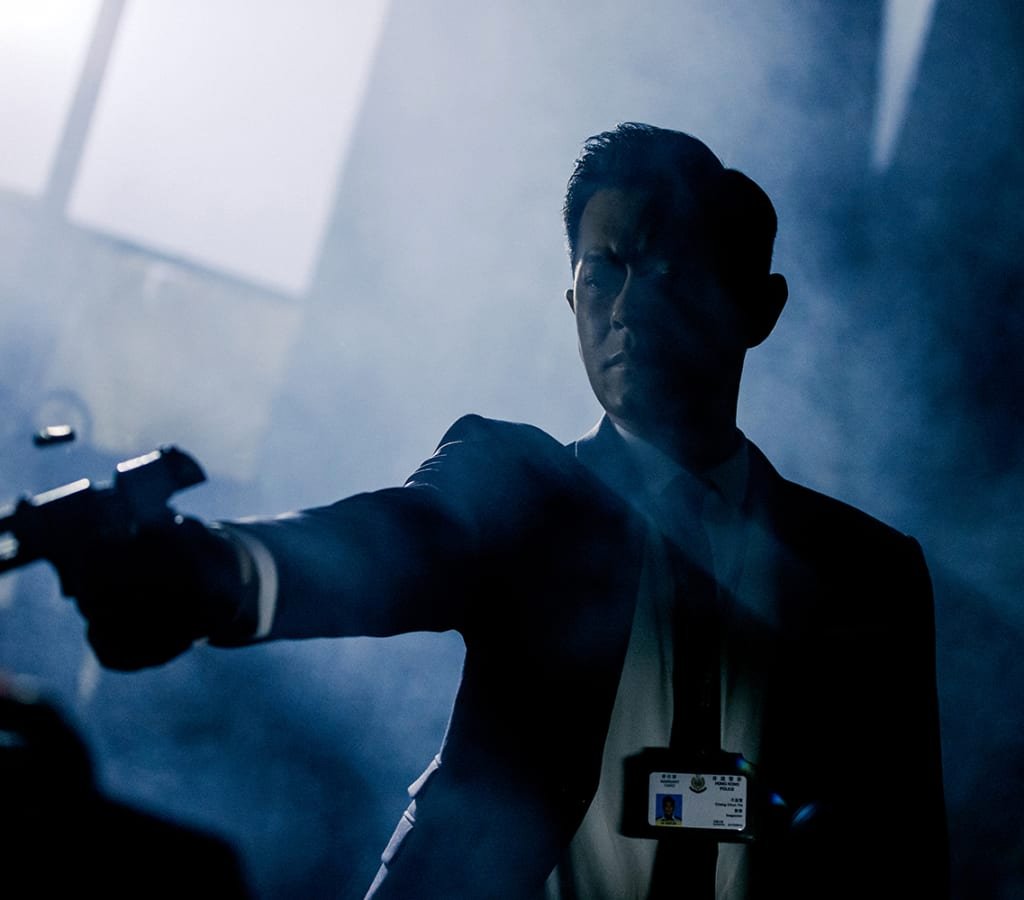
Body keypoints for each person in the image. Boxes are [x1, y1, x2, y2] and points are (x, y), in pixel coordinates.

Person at [56, 123, 948, 899]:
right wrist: (217, 570)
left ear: (759, 308)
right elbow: (399, 540)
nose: (629, 309)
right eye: (603, 274)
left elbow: (904, 849)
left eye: (670, 272)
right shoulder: (522, 484)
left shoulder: (867, 574)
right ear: (571, 300)